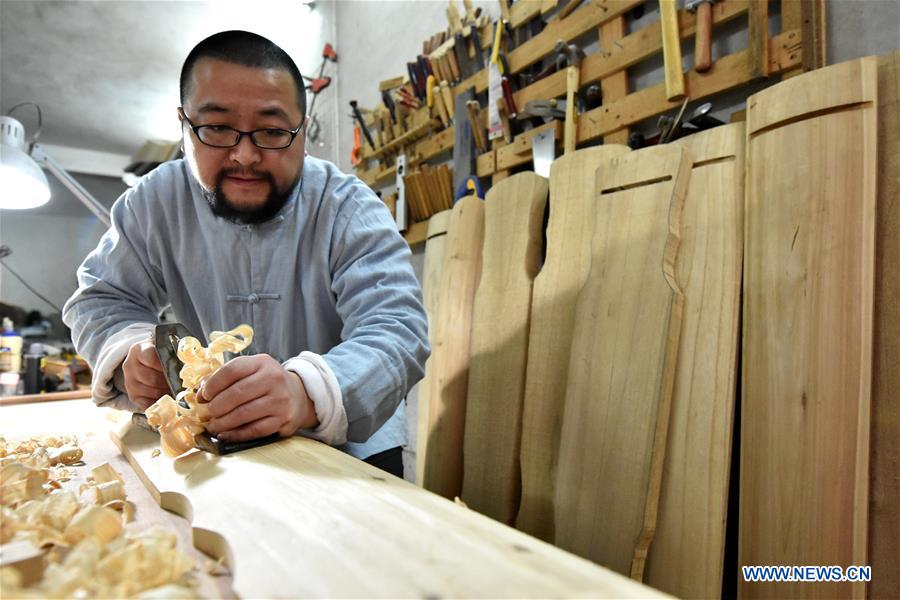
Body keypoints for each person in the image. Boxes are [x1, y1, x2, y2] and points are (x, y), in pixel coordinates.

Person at [62, 30, 430, 477]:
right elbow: (101, 299)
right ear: (183, 125)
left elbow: (397, 329)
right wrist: (126, 359)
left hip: (352, 451)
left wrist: (306, 392)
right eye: (216, 128)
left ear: (302, 128)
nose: (244, 156)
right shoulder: (153, 202)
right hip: (209, 451)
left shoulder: (348, 206)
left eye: (273, 131)